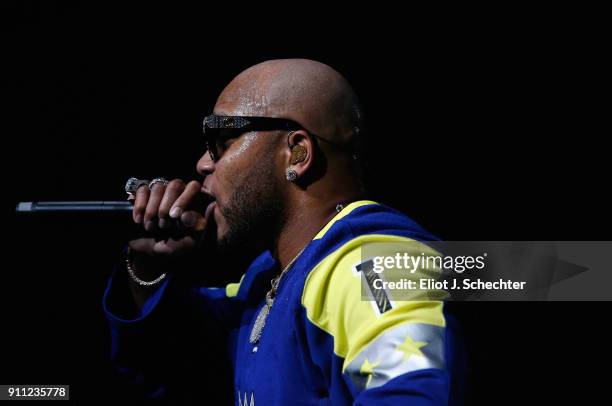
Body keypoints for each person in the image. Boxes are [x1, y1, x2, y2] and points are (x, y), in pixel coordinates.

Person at [103, 59, 465, 405]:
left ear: (297, 154)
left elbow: (416, 394)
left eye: (223, 140)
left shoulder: (375, 264)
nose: (203, 163)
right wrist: (147, 266)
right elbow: (170, 373)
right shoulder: (265, 279)